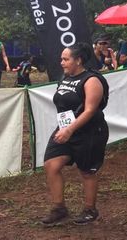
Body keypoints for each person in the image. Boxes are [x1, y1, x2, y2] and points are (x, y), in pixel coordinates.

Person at [41, 42, 110, 226]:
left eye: (66, 59)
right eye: (61, 59)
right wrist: (66, 129)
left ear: (78, 60)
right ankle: (59, 208)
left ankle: (90, 210)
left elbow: (89, 110)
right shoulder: (65, 77)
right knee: (51, 165)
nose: (61, 62)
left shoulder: (91, 80)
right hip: (65, 129)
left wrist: (70, 129)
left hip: (89, 132)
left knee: (86, 171)